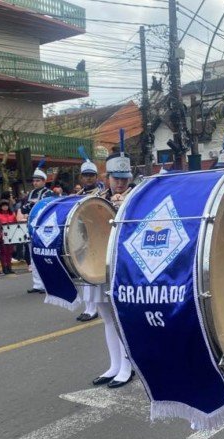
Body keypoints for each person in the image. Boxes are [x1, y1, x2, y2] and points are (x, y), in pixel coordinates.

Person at [91, 146, 135, 388]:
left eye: (124, 178)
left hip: (124, 264)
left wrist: (124, 207)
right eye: (115, 178)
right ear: (107, 178)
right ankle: (114, 365)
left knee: (121, 318)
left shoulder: (137, 196)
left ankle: (128, 366)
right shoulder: (97, 198)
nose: (119, 183)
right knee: (106, 317)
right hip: (100, 262)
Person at [17, 163, 53, 293]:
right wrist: (30, 205)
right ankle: (37, 284)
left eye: (38, 180)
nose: (35, 183)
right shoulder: (31, 193)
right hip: (32, 225)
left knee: (43, 255)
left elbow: (46, 207)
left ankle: (47, 284)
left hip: (44, 227)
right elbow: (24, 207)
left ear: (44, 181)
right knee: (33, 256)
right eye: (34, 180)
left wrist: (33, 205)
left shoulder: (49, 192)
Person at [75, 156, 101, 322]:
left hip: (96, 238)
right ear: (81, 177)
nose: (89, 178)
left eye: (92, 175)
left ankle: (93, 308)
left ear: (96, 177)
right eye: (86, 175)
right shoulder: (77, 194)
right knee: (82, 274)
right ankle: (88, 306)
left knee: (92, 274)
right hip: (82, 237)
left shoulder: (100, 193)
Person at [0, 200, 17, 274]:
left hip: (11, 235)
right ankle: (5, 268)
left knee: (10, 252)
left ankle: (9, 267)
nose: (5, 207)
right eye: (3, 206)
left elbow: (16, 224)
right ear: (0, 207)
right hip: (2, 236)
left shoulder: (12, 214)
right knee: (3, 252)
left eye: (6, 205)